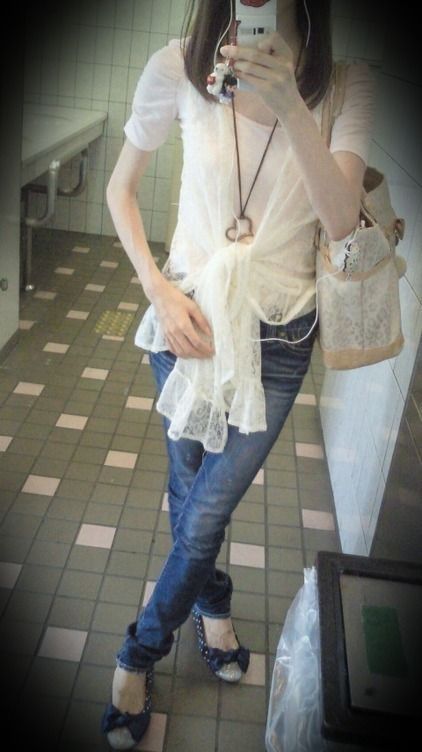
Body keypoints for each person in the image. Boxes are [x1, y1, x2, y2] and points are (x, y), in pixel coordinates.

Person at [101, 0, 374, 747]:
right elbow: (119, 190)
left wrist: (290, 103)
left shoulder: (347, 86)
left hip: (280, 341)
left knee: (204, 515)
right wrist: (157, 290)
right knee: (190, 494)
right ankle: (212, 606)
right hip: (186, 327)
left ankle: (137, 654)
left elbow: (343, 223)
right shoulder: (178, 68)